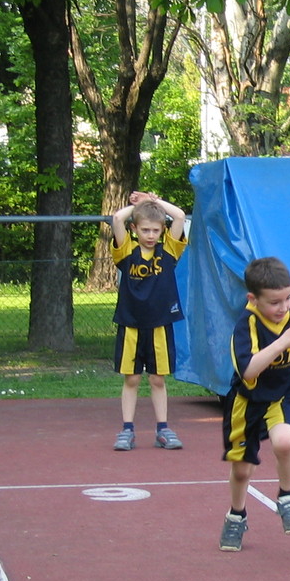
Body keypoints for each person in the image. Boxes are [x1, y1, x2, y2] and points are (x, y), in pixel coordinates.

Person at [219, 257, 290, 551]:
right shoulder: (245, 326)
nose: (283, 307)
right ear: (253, 299)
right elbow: (248, 370)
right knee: (243, 470)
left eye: (286, 298)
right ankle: (236, 514)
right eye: (274, 302)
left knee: (285, 442)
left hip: (282, 394)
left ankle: (287, 495)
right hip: (247, 402)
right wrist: (283, 342)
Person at [109, 191, 188, 452]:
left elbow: (178, 215)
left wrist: (155, 201)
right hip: (131, 324)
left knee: (157, 379)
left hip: (159, 325)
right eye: (145, 230)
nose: (151, 235)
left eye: (155, 230)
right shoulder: (126, 253)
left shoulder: (169, 251)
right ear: (135, 229)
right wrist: (141, 205)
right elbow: (116, 218)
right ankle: (127, 430)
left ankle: (163, 429)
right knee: (131, 379)